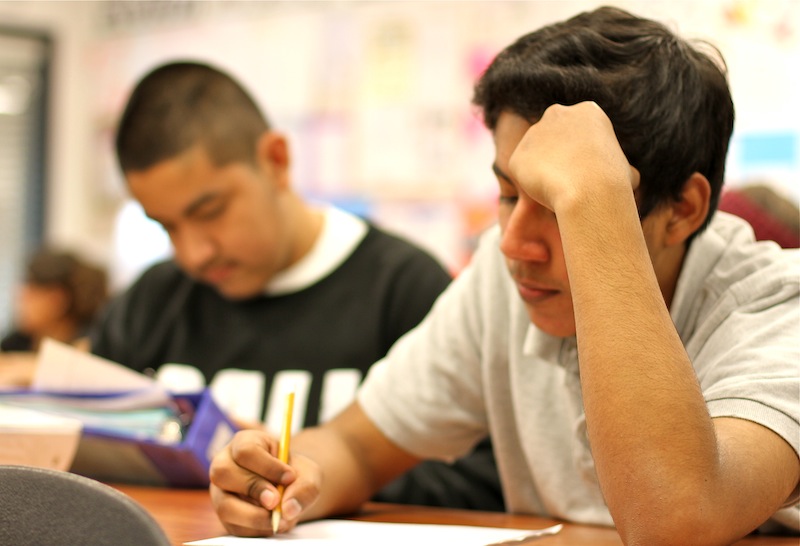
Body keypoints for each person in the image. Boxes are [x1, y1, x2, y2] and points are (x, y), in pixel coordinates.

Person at [208, 6, 800, 544]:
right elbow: (355, 447)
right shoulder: (503, 278)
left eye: (556, 204)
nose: (512, 243)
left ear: (684, 211)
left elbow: (677, 522)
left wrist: (595, 206)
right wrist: (283, 475)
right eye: (505, 192)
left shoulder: (777, 307)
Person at [88, 61, 504, 510]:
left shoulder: (402, 287)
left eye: (210, 212)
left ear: (276, 161)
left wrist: (307, 474)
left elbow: (483, 476)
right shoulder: (152, 301)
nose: (194, 254)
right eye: (166, 226)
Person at [0, 248, 109, 388]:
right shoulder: (17, 341)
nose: (20, 301)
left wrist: (18, 366)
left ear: (58, 300)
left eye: (30, 295)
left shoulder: (91, 343)